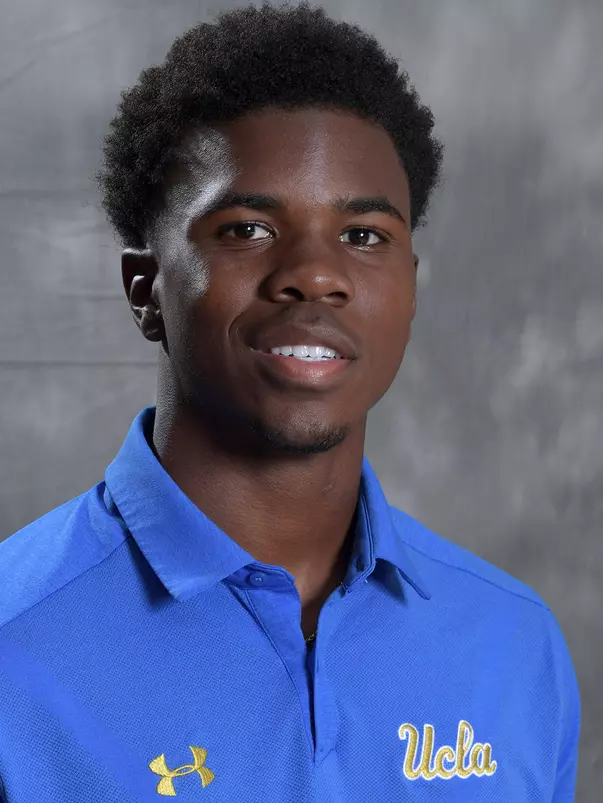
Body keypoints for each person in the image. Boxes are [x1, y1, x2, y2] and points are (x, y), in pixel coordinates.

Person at [0, 2, 579, 801]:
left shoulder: (510, 642)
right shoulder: (15, 645)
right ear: (144, 291)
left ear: (410, 289)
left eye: (364, 236)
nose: (314, 273)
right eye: (245, 229)